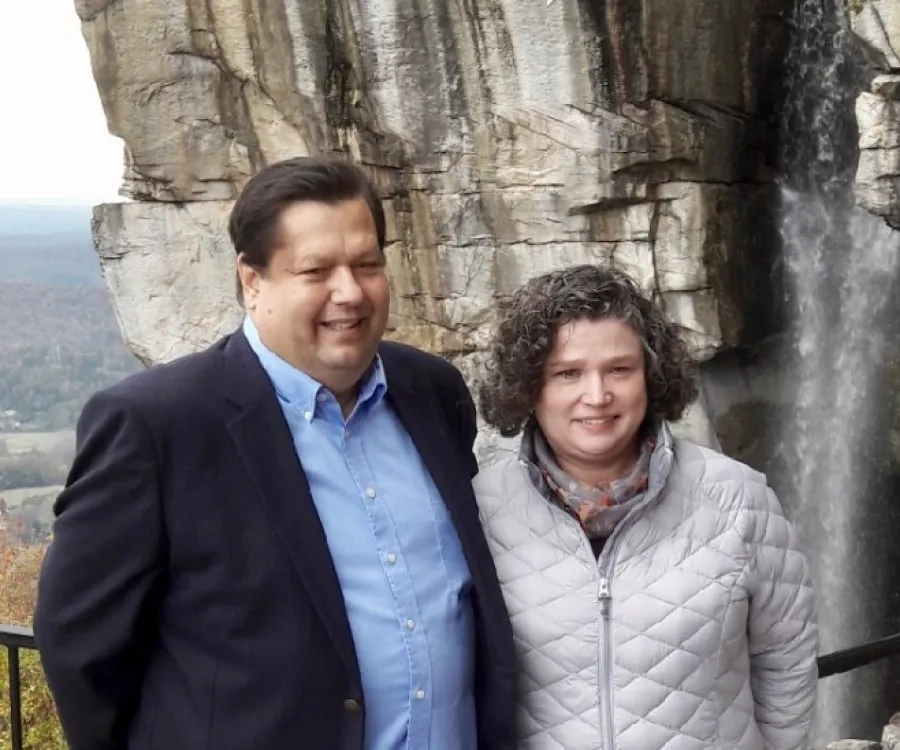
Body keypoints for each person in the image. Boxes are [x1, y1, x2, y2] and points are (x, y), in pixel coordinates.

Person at [33, 155, 516, 750]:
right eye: (316, 271)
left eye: (367, 264)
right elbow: (79, 645)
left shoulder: (433, 394)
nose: (351, 292)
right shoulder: (159, 425)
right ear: (252, 279)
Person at [472, 264, 818, 750]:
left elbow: (786, 657)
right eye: (568, 373)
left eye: (619, 369)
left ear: (650, 376)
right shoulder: (480, 513)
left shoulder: (739, 500)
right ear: (530, 388)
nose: (597, 396)